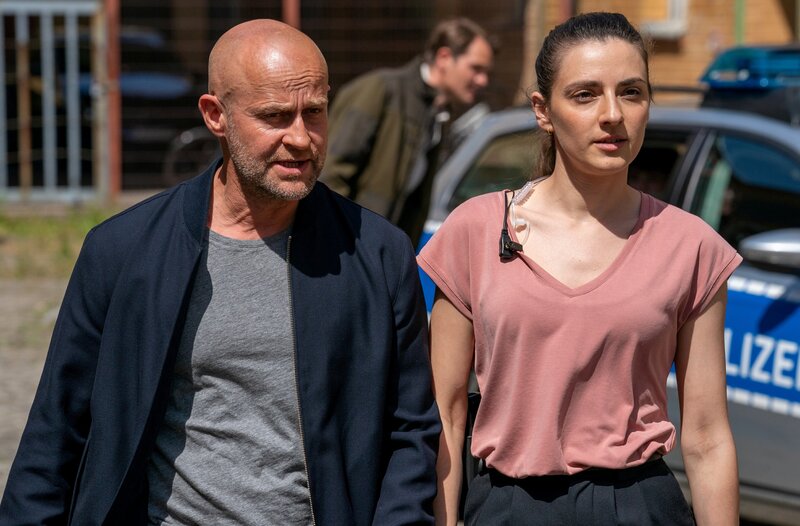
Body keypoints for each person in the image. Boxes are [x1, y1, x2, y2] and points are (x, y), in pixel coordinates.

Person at [0, 19, 440, 525]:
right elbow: (57, 428)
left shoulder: (377, 254)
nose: (301, 138)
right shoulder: (123, 252)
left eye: (315, 112)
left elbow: (411, 430)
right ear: (216, 116)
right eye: (274, 116)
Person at [418, 12, 740, 526]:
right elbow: (446, 413)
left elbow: (707, 437)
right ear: (543, 111)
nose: (613, 114)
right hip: (506, 506)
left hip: (639, 506)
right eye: (585, 94)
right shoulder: (474, 231)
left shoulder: (691, 245)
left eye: (631, 92)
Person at [320, 17, 495, 246]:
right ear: (444, 57)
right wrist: (342, 244)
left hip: (386, 250)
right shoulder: (381, 90)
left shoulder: (438, 111)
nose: (483, 80)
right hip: (350, 246)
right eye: (476, 69)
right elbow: (331, 175)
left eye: (486, 72)